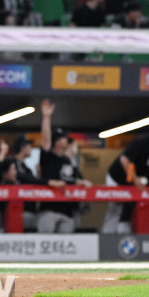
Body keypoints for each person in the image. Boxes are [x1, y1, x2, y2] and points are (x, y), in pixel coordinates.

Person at [101, 118, 149, 234]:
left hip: (136, 182)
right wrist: (135, 179)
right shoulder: (142, 142)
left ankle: (129, 236)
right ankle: (107, 237)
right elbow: (125, 160)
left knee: (135, 208)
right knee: (116, 208)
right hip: (117, 178)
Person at [38, 99, 92, 233]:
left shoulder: (67, 160)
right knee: (45, 245)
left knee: (66, 249)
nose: (66, 141)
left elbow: (70, 178)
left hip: (67, 211)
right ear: (56, 142)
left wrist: (81, 182)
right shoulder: (48, 157)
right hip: (49, 209)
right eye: (63, 138)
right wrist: (46, 117)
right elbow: (45, 141)